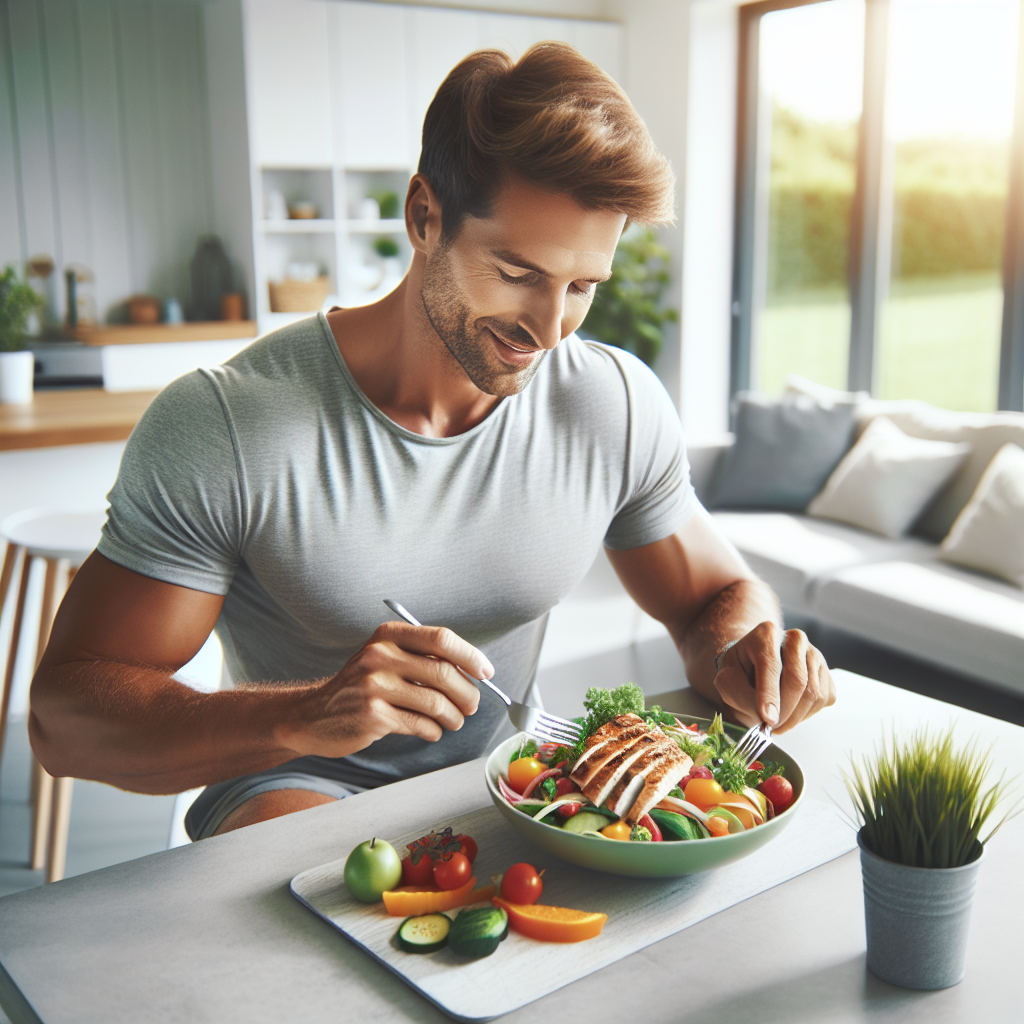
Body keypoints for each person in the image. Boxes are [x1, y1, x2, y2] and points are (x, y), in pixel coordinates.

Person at [30, 44, 834, 840]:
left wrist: (745, 652)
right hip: (295, 784)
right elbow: (63, 718)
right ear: (424, 216)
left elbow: (713, 599)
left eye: (582, 286)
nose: (551, 328)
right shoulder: (228, 424)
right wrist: (304, 715)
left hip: (515, 790)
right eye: (518, 273)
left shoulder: (610, 402)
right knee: (345, 903)